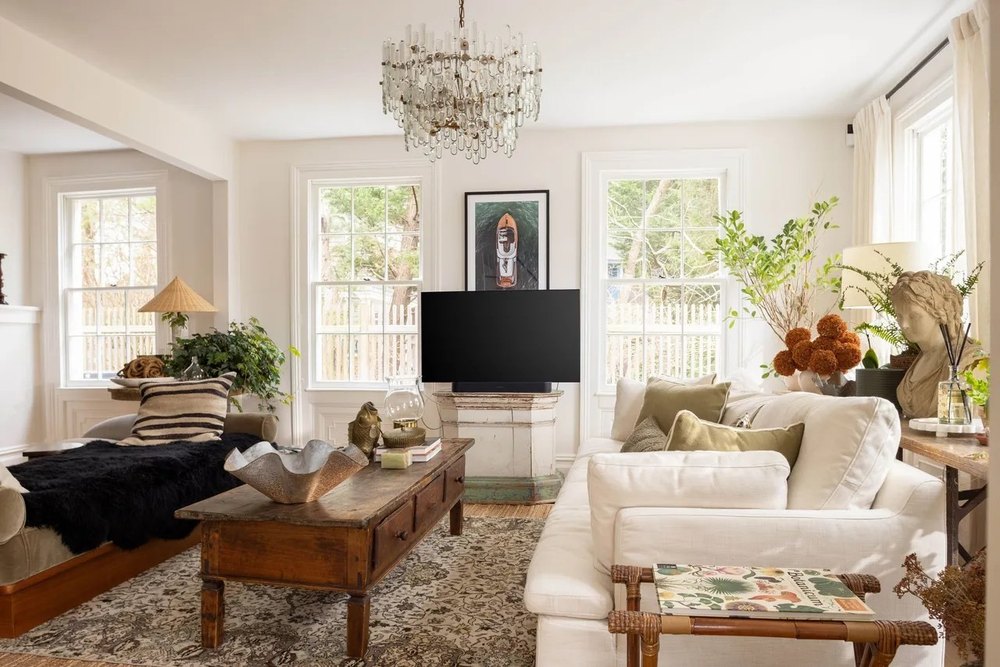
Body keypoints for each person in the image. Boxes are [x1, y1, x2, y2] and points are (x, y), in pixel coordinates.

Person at [890, 271, 982, 418]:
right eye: (899, 316)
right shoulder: (923, 357)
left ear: (940, 314)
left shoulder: (967, 359)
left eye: (914, 316)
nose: (904, 324)